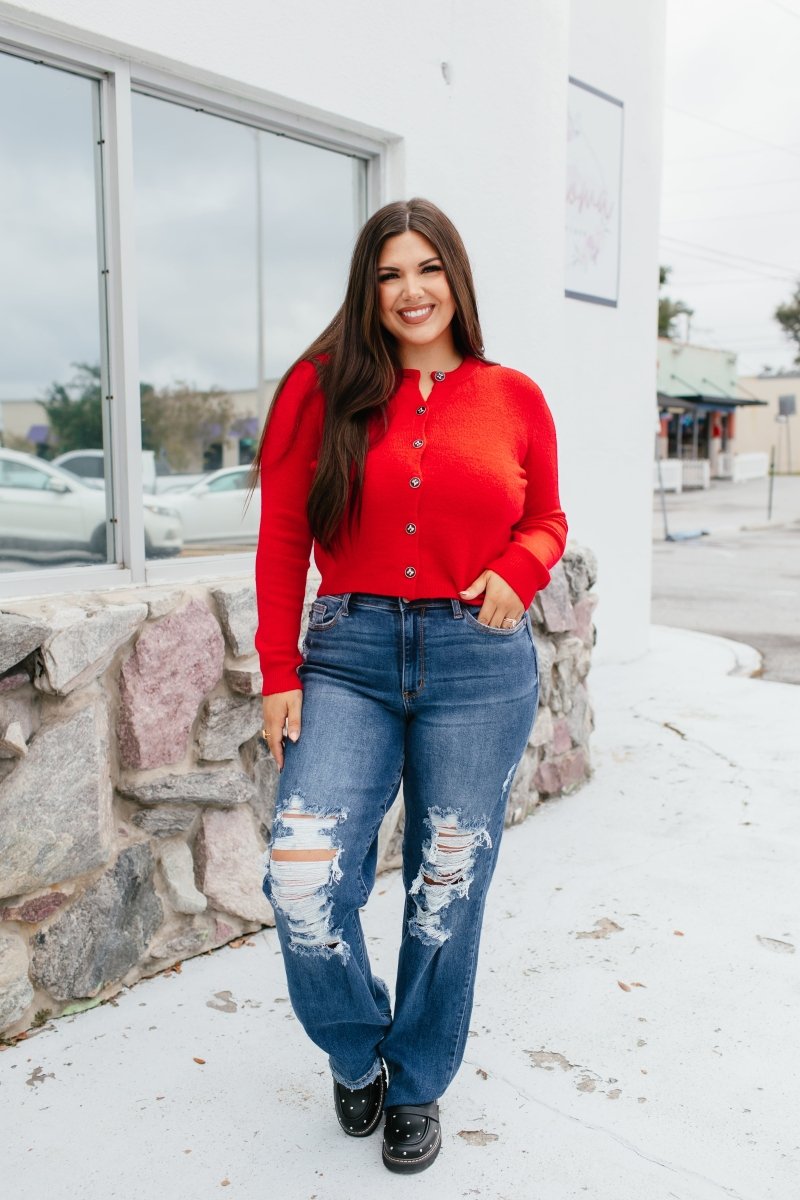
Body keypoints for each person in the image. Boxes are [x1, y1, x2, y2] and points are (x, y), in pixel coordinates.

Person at [251, 197, 567, 1174]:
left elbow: (547, 518)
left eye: (425, 268)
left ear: (454, 279)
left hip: (476, 662)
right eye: (388, 274)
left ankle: (417, 1082)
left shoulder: (512, 396)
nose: (409, 290)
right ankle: (357, 1051)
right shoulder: (320, 385)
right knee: (303, 875)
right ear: (368, 288)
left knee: (446, 882)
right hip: (345, 652)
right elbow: (281, 533)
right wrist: (276, 670)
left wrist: (518, 570)